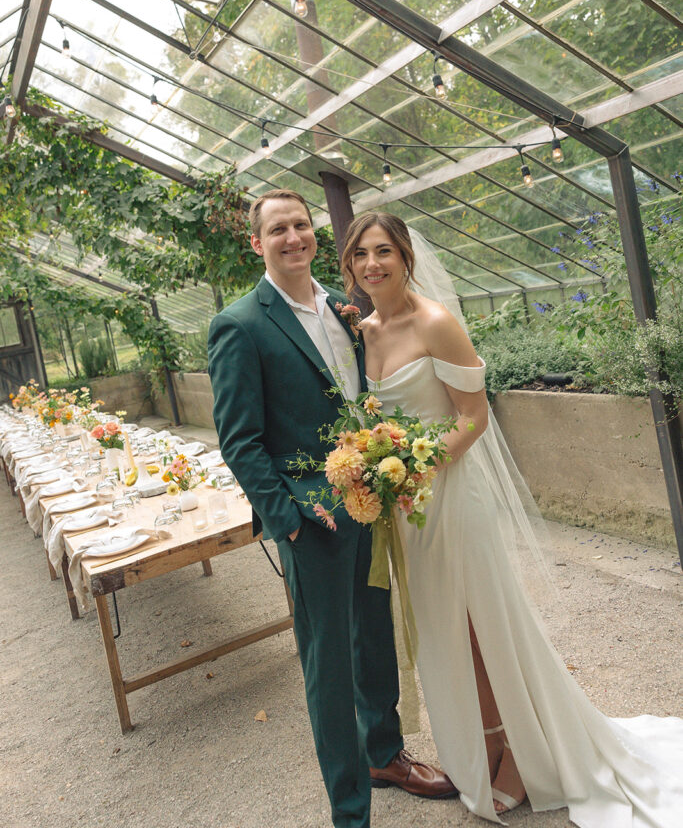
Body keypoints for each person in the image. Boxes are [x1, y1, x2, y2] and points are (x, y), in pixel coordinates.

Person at [340, 210, 683, 827]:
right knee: (444, 630)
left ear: (406, 257)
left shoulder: (436, 323)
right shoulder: (362, 331)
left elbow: (474, 416)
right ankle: (490, 745)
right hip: (408, 514)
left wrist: (417, 467)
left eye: (384, 251)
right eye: (361, 254)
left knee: (479, 627)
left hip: (451, 497)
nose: (373, 264)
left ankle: (516, 755)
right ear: (349, 264)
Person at [208, 189, 455, 828]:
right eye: (278, 230)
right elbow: (239, 438)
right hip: (309, 521)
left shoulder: (346, 310)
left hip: (368, 502)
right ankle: (351, 810)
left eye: (301, 225)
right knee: (328, 664)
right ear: (256, 243)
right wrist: (285, 521)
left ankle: (385, 753)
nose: (294, 237)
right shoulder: (241, 324)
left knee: (373, 635)